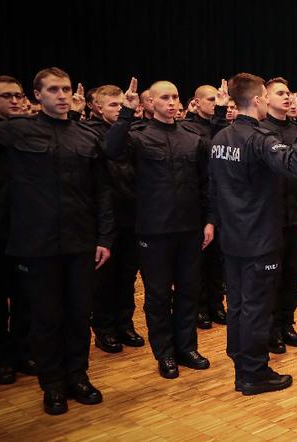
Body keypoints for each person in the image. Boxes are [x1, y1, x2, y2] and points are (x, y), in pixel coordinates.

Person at [0, 67, 114, 415]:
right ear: (37, 96)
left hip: (80, 242)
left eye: (66, 89)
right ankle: (53, 386)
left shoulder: (86, 136)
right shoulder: (15, 132)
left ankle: (78, 377)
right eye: (54, 90)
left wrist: (104, 237)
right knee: (46, 318)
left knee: (78, 315)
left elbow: (102, 192)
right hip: (37, 245)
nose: (61, 95)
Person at [208, 72, 297, 395]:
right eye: (266, 98)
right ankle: (254, 372)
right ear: (256, 101)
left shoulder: (220, 139)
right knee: (255, 307)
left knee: (239, 304)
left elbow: (214, 189)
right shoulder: (259, 138)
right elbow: (295, 167)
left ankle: (242, 364)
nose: (269, 102)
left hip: (233, 236)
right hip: (259, 238)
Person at [105, 78, 214, 379]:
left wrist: (210, 220)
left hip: (190, 229)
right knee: (158, 295)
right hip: (153, 230)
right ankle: (164, 354)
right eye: (164, 98)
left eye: (175, 97)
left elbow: (206, 184)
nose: (171, 103)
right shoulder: (138, 137)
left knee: (189, 291)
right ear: (150, 103)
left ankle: (186, 347)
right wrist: (126, 113)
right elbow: (111, 151)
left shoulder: (192, 137)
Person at [82, 85, 145, 354]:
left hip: (131, 216)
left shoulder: (130, 131)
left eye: (123, 105)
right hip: (104, 221)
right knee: (104, 280)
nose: (121, 110)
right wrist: (126, 117)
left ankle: (124, 322)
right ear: (96, 107)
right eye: (114, 106)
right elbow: (110, 149)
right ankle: (104, 328)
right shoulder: (90, 133)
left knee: (127, 275)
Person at [259, 78, 297, 353]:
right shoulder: (261, 132)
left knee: (293, 275)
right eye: (280, 93)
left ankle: (287, 324)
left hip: (295, 215)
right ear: (265, 98)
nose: (286, 97)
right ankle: (271, 330)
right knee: (273, 277)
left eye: (288, 93)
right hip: (269, 217)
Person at [0, 75, 34, 386]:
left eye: (19, 95)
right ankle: (1, 358)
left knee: (26, 298)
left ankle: (22, 352)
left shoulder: (30, 136)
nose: (16, 101)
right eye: (7, 96)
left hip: (29, 231)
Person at [181, 83, 229, 328]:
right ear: (196, 103)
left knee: (218, 261)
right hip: (200, 202)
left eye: (219, 100)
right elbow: (212, 151)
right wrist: (220, 117)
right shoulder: (188, 128)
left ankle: (216, 304)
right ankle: (200, 307)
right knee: (199, 260)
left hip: (223, 203)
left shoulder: (225, 127)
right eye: (211, 99)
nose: (216, 103)